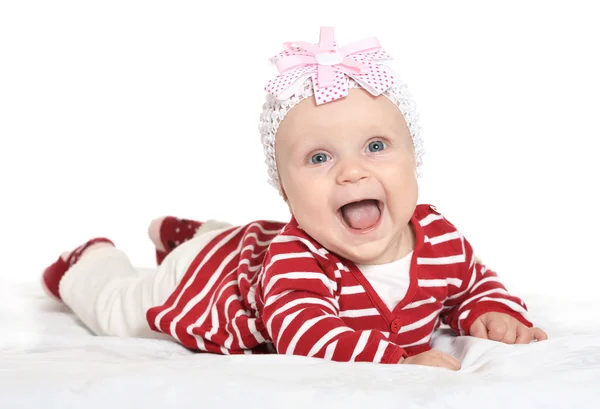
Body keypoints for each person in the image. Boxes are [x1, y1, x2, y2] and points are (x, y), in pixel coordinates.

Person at [41, 27, 547, 371]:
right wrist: (397, 361)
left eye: (376, 147)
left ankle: (191, 230)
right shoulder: (298, 258)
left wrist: (491, 310)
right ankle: (93, 261)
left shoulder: (440, 240)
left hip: (246, 247)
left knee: (240, 240)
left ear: (414, 160)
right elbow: (304, 332)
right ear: (284, 190)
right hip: (212, 278)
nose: (352, 171)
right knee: (121, 313)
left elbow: (472, 282)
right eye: (320, 158)